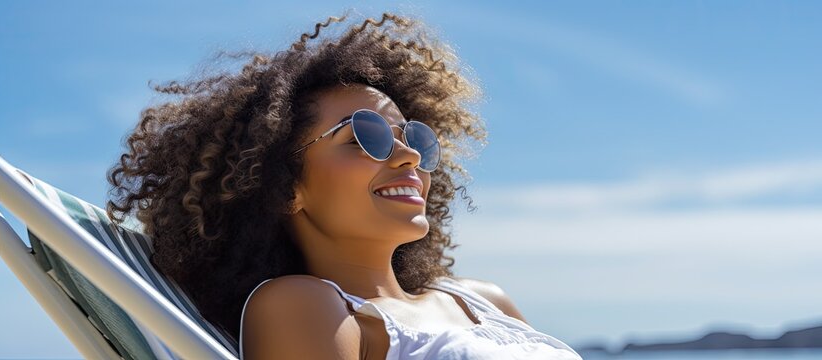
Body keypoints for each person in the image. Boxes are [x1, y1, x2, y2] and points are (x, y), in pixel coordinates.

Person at [106, 11, 582, 360]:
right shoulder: (301, 306)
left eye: (415, 137)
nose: (411, 155)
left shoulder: (483, 299)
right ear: (286, 186)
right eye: (366, 137)